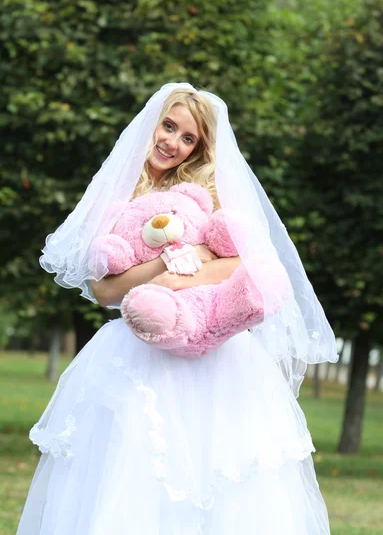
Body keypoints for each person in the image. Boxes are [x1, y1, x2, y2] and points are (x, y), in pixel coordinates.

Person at [17, 83, 338, 535]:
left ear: (198, 148)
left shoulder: (207, 192)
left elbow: (242, 260)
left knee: (220, 465)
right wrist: (161, 272)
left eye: (188, 138)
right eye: (169, 127)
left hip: (215, 349)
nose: (173, 142)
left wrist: (197, 265)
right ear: (152, 123)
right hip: (139, 344)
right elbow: (104, 290)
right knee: (136, 461)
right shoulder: (118, 193)